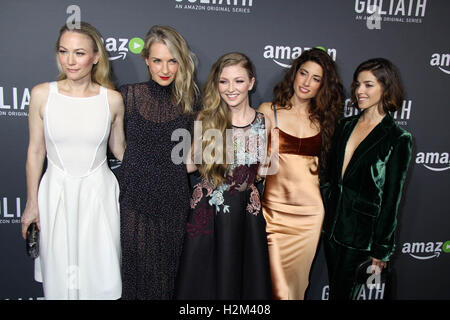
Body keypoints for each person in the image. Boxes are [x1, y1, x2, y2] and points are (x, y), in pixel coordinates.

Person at [20, 22, 126, 300]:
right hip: (56, 193)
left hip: (99, 196)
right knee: (59, 280)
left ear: (95, 57)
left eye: (79, 53)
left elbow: (120, 150)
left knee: (100, 277)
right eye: (63, 51)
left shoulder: (112, 100)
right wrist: (32, 203)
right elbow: (35, 152)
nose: (70, 60)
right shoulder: (42, 94)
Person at [175, 52, 272, 299]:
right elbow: (188, 165)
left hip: (245, 212)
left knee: (241, 279)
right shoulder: (206, 118)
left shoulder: (263, 121)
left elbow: (262, 170)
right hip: (208, 210)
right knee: (203, 281)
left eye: (238, 81)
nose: (231, 88)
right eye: (224, 81)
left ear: (251, 83)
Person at [118, 25, 199, 300]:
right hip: (134, 202)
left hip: (174, 203)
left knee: (168, 283)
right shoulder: (127, 95)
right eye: (157, 60)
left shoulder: (191, 103)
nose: (165, 68)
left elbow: (196, 158)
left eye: (172, 60)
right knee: (134, 280)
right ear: (146, 60)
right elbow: (116, 146)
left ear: (181, 62)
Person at [322, 58, 413, 300]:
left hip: (361, 237)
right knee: (334, 289)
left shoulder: (397, 138)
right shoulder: (345, 125)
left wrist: (382, 249)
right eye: (357, 84)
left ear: (386, 87)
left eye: (369, 85)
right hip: (330, 229)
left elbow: (393, 198)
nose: (360, 91)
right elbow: (330, 177)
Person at [258, 48, 344, 300]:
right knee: (278, 288)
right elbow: (255, 165)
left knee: (297, 287)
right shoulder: (268, 110)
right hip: (273, 214)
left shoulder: (324, 120)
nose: (306, 82)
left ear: (323, 86)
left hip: (309, 216)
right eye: (303, 73)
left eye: (315, 78)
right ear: (294, 74)